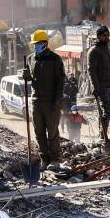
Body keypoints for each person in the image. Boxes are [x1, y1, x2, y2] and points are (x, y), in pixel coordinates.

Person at [23, 30, 66, 170]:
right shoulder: (31, 58)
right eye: (34, 44)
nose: (34, 46)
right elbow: (32, 77)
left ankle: (55, 160)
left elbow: (61, 81)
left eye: (36, 44)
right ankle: (45, 159)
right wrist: (26, 76)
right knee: (39, 132)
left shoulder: (55, 59)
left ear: (44, 44)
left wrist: (57, 101)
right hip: (36, 101)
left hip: (51, 102)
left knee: (52, 132)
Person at [87, 25, 110, 143]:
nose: (107, 37)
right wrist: (96, 87)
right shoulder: (94, 51)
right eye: (104, 36)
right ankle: (103, 136)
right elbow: (91, 71)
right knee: (107, 111)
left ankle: (103, 135)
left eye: (108, 35)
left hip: (108, 86)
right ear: (98, 37)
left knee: (107, 112)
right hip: (101, 86)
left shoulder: (107, 49)